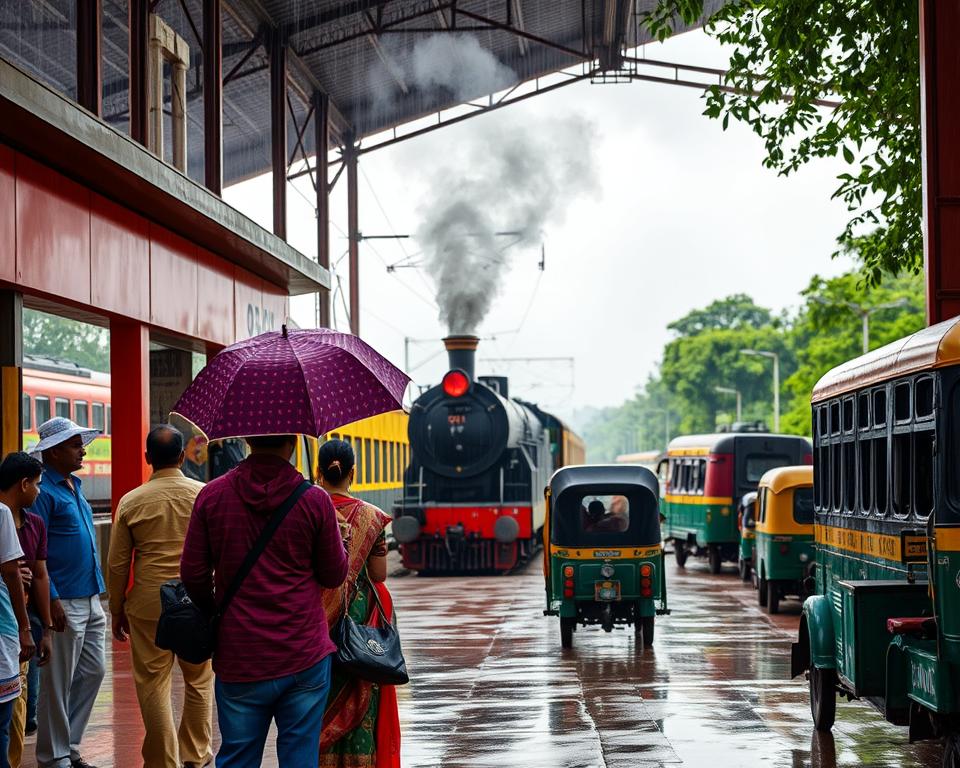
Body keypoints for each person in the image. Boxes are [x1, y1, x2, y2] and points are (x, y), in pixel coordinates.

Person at [180, 434, 348, 768]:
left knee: (238, 757)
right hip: (304, 652)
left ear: (245, 439)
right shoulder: (315, 501)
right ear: (292, 442)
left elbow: (193, 573)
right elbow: (334, 575)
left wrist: (217, 611)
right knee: (300, 758)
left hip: (240, 653)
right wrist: (339, 545)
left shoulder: (212, 496)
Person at [107, 425, 213, 768]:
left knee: (153, 683)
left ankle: (162, 761)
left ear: (148, 458)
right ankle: (195, 756)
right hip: (196, 600)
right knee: (198, 680)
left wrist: (117, 608)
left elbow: (118, 563)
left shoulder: (131, 502)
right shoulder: (204, 495)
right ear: (182, 456)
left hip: (150, 605)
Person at [318, 439, 401, 768]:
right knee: (361, 687)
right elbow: (379, 574)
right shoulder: (371, 515)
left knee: (320, 697)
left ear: (318, 472)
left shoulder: (309, 510)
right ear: (353, 471)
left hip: (317, 615)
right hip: (358, 618)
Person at [28, 417, 105, 768]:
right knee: (57, 682)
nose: (82, 450)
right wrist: (52, 600)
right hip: (64, 599)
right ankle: (54, 755)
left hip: (90, 594)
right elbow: (35, 552)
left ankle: (69, 744)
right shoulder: (44, 493)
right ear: (54, 451)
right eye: (75, 445)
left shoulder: (74, 485)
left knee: (94, 671)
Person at [0, 453, 53, 768]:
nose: (38, 491)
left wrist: (42, 626)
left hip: (18, 624)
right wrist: (25, 629)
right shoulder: (2, 514)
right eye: (36, 485)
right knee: (6, 721)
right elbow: (10, 572)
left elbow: (41, 574)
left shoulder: (35, 524)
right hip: (7, 628)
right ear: (23, 484)